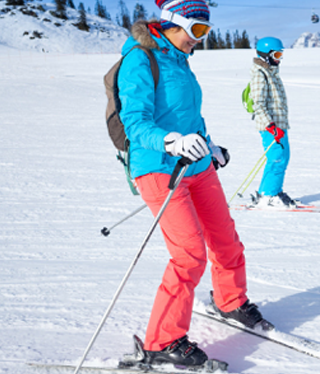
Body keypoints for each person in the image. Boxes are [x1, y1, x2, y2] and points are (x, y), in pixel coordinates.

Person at [117, 0, 271, 368]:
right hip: (158, 167)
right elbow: (134, 122)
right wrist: (170, 140)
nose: (200, 40)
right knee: (189, 255)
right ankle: (162, 341)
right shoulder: (140, 60)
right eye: (197, 31)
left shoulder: (180, 60)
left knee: (225, 238)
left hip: (197, 165)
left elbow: (189, 116)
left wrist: (208, 144)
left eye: (206, 32)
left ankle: (230, 300)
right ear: (173, 23)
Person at [247, 37, 298, 208]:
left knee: (282, 157)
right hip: (271, 127)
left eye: (280, 54)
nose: (279, 58)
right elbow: (258, 104)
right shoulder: (260, 75)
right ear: (266, 55)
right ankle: (269, 196)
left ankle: (271, 191)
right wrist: (271, 126)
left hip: (279, 126)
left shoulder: (271, 73)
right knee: (277, 158)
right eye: (276, 54)